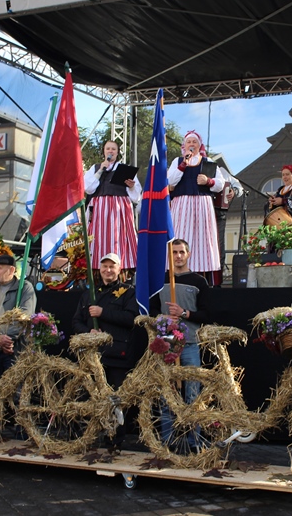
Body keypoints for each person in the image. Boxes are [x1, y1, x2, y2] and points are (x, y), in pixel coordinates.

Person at [72, 252, 138, 447]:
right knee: (90, 396)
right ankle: (89, 437)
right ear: (99, 269)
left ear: (119, 269)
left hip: (117, 354)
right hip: (92, 355)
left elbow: (131, 319)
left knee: (116, 399)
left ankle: (115, 439)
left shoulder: (128, 292)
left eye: (112, 266)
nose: (108, 270)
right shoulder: (89, 293)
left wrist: (103, 313)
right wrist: (88, 332)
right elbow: (76, 321)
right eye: (105, 266)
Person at [150, 239, 212, 446]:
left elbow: (207, 313)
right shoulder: (159, 280)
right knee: (167, 392)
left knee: (192, 393)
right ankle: (168, 440)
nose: (177, 256)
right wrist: (163, 318)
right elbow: (151, 310)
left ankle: (194, 440)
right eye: (174, 252)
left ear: (188, 254)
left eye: (181, 252)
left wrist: (184, 313)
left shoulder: (199, 282)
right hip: (166, 343)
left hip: (190, 342)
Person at [168, 131, 224, 284]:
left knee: (203, 238)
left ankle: (202, 276)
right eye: (189, 142)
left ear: (200, 146)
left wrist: (208, 181)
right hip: (182, 204)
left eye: (194, 142)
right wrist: (183, 165)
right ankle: (177, 273)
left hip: (202, 204)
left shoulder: (207, 161)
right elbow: (170, 181)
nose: (191, 144)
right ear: (184, 145)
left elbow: (220, 184)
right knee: (181, 235)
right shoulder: (178, 161)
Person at [0, 254, 37, 382]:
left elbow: (24, 317)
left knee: (15, 389)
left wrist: (7, 340)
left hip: (15, 350)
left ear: (11, 270)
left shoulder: (24, 288)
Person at [84, 140, 142, 272]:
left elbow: (136, 196)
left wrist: (131, 186)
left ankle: (122, 269)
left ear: (117, 152)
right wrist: (100, 170)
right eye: (108, 148)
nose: (110, 151)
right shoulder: (95, 168)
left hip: (119, 209)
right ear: (104, 151)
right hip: (100, 210)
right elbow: (88, 188)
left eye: (113, 149)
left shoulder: (124, 169)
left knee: (118, 238)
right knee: (98, 238)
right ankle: (97, 269)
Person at [211, 166, 243, 286]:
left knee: (219, 247)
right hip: (201, 214)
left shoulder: (221, 171)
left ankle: (217, 282)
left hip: (219, 214)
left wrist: (234, 191)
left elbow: (239, 186)